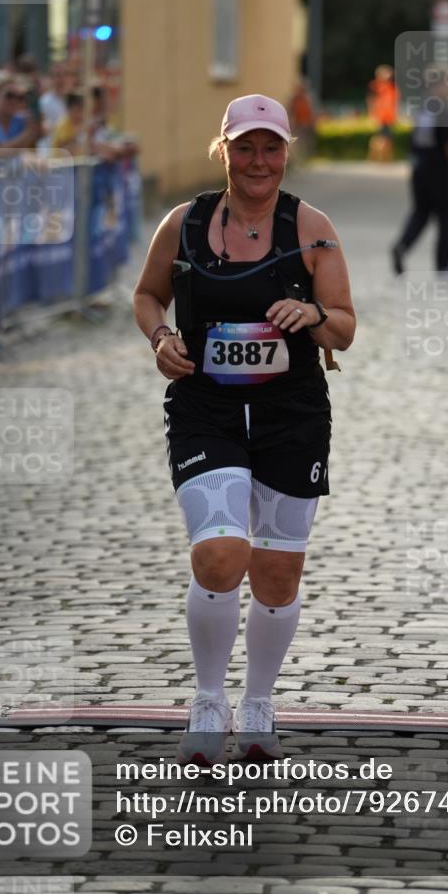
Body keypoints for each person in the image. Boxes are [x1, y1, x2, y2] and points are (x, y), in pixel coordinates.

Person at [133, 94, 355, 764]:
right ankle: (207, 698)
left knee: (278, 574)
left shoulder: (310, 228)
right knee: (220, 554)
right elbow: (147, 296)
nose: (258, 161)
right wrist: (161, 338)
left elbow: (344, 323)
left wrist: (310, 312)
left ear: (286, 152)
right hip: (208, 409)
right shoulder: (184, 222)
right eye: (244, 146)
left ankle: (257, 700)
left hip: (292, 414)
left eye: (270, 147)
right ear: (222, 148)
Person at [391, 69, 448, 275]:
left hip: (420, 169)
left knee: (421, 212)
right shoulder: (443, 110)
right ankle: (443, 265)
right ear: (437, 85)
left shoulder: (423, 107)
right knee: (447, 216)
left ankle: (401, 246)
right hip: (440, 171)